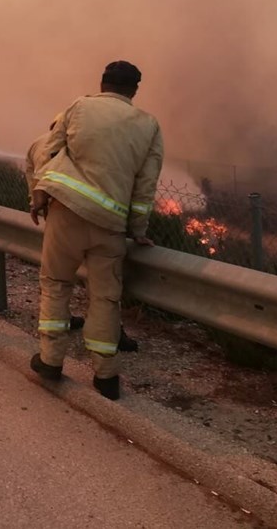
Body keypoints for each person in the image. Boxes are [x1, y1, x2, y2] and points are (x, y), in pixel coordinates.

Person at [27, 61, 164, 400]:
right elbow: (146, 186)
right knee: (105, 297)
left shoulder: (79, 106)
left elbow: (48, 153)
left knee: (56, 285)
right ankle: (106, 377)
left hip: (67, 214)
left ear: (102, 83)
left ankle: (51, 361)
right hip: (111, 225)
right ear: (134, 90)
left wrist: (39, 197)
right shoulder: (149, 126)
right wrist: (137, 229)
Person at [25, 117, 141, 352]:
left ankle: (51, 353)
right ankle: (111, 341)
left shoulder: (38, 144)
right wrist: (135, 225)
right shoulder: (83, 145)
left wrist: (36, 203)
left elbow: (33, 176)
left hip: (59, 220)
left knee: (56, 283)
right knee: (104, 290)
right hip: (101, 220)